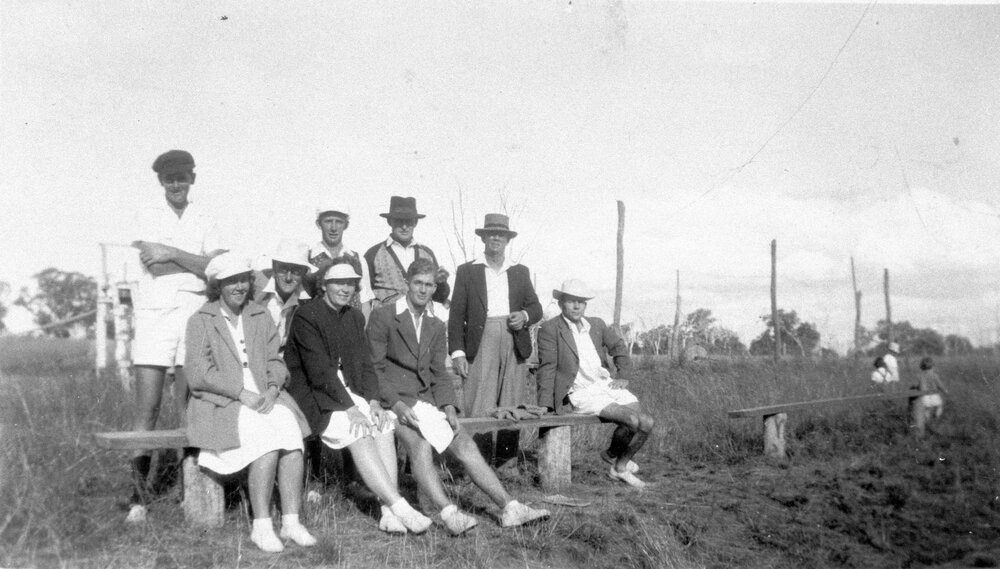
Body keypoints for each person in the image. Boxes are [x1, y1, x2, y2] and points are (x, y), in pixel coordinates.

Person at [368, 258, 550, 535]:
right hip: (390, 400)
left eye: (429, 285)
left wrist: (448, 406)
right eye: (418, 283)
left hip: (423, 401)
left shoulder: (435, 324)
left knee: (463, 441)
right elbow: (374, 369)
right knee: (419, 446)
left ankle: (510, 507)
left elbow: (439, 374)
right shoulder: (384, 316)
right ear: (407, 283)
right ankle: (449, 513)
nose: (423, 290)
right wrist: (396, 403)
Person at [284, 263, 431, 534]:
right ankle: (399, 506)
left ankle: (387, 512)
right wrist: (351, 408)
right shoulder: (307, 315)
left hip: (346, 391)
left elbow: (365, 364)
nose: (345, 288)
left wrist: (373, 401)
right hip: (315, 397)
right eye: (338, 282)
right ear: (324, 285)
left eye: (351, 283)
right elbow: (319, 372)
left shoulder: (353, 317)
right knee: (359, 430)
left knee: (384, 423)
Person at [184, 253, 315, 553]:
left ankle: (291, 522)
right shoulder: (201, 320)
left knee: (290, 432)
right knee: (265, 437)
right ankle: (262, 524)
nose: (239, 287)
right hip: (222, 400)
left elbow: (275, 359)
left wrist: (271, 388)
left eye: (243, 280)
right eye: (231, 281)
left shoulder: (258, 315)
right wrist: (241, 393)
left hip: (263, 394)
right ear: (218, 286)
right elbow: (199, 374)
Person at [126, 149, 226, 522]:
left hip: (191, 314)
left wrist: (170, 253)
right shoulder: (146, 214)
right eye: (169, 178)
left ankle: (190, 493)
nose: (176, 184)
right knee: (146, 408)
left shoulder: (206, 216)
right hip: (153, 314)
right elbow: (152, 262)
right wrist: (192, 261)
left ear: (192, 178)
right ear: (161, 182)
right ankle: (138, 497)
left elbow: (214, 268)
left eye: (182, 177)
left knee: (190, 407)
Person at [536, 279, 654, 489]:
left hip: (607, 385)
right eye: (571, 301)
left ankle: (615, 460)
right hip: (582, 393)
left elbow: (618, 346)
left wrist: (623, 374)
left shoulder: (596, 324)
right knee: (633, 421)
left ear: (586, 304)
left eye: (581, 302)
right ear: (561, 302)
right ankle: (619, 468)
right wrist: (546, 405)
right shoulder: (550, 329)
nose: (576, 306)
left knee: (646, 423)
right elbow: (547, 367)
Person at [448, 213, 542, 469]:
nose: (496, 238)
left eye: (501, 234)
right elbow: (456, 314)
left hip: (515, 340)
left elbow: (536, 308)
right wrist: (457, 352)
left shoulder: (520, 271)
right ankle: (476, 463)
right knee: (479, 400)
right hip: (480, 339)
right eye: (491, 234)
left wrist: (524, 316)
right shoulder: (468, 271)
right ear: (484, 238)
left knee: (511, 401)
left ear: (507, 239)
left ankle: (505, 462)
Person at [363, 196, 450, 310]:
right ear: (390, 222)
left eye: (408, 221)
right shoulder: (373, 254)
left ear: (415, 223)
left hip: (422, 323)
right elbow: (363, 296)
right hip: (387, 324)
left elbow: (438, 297)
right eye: (399, 221)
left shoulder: (427, 254)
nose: (404, 227)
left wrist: (441, 283)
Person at [306, 204, 374, 319]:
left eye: (339, 222)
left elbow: (365, 302)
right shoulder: (308, 258)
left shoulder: (358, 259)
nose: (333, 228)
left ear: (346, 225)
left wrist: (360, 333)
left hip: (351, 328)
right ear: (318, 224)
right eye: (328, 221)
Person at [253, 239, 315, 351]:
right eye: (283, 269)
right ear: (274, 267)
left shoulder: (307, 299)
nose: (288, 277)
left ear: (304, 273)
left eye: (296, 271)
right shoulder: (255, 287)